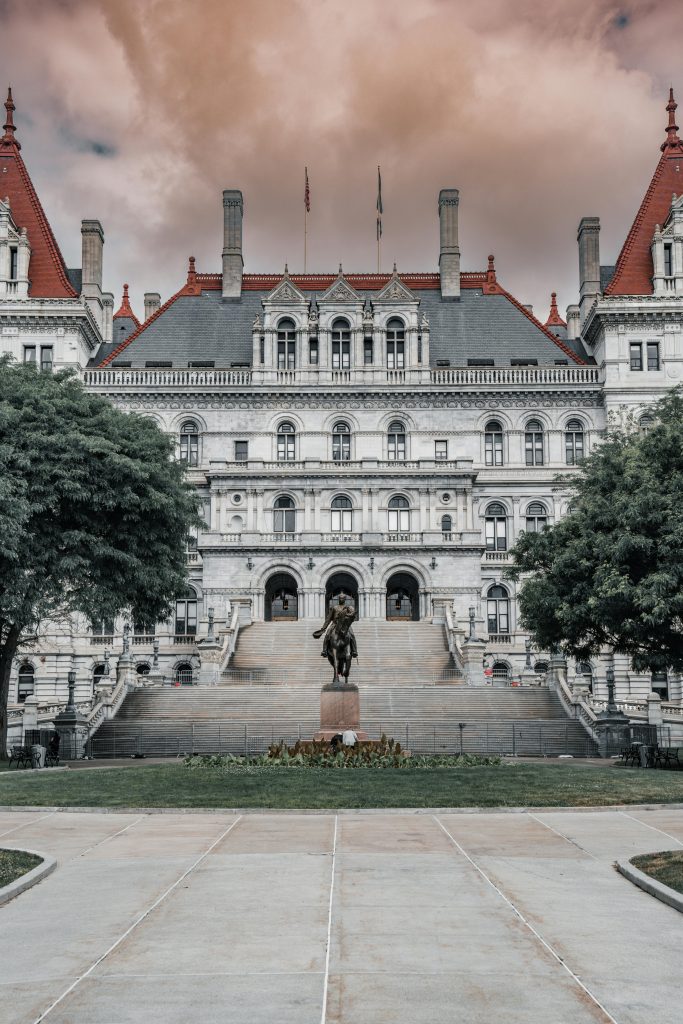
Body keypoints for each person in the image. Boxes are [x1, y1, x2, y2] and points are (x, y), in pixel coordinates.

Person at [313, 592, 358, 659]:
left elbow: (351, 617)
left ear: (345, 599)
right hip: (335, 624)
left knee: (352, 635)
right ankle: (324, 650)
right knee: (327, 635)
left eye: (342, 598)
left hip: (345, 625)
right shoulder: (334, 608)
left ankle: (354, 651)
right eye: (340, 598)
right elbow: (328, 619)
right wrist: (323, 628)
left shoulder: (348, 608)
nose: (341, 599)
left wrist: (351, 616)